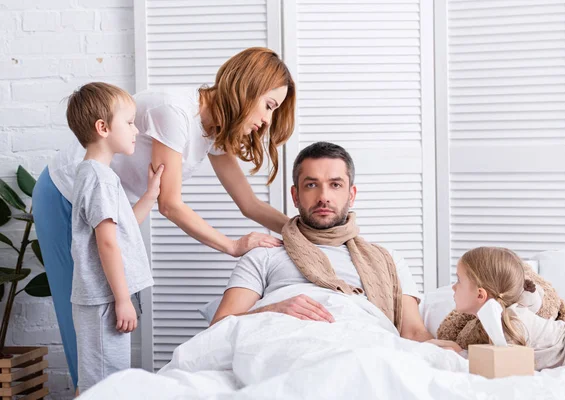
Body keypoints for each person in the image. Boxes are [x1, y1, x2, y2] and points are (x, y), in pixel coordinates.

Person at [32, 47, 296, 389]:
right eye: (269, 106)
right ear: (247, 88)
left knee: (107, 322)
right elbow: (170, 204)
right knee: (86, 321)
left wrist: (303, 231)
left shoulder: (214, 131)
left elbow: (249, 204)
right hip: (65, 195)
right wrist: (232, 246)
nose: (268, 121)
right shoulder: (175, 111)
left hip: (111, 211)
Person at [211, 142, 434, 342]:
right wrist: (272, 311)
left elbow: (413, 333)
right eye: (311, 185)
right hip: (284, 346)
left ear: (351, 195)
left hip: (364, 346)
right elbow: (218, 328)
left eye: (335, 185)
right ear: (295, 195)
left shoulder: (389, 260)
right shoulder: (264, 255)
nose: (323, 197)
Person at [65, 82, 163, 392]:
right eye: (130, 122)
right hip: (104, 300)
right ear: (103, 127)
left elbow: (120, 232)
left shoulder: (95, 174)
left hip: (102, 298)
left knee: (105, 380)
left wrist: (149, 196)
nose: (136, 131)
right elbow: (106, 243)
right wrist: (122, 300)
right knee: (105, 386)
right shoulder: (100, 179)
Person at [450, 246, 565, 370]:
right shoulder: (495, 319)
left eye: (458, 280)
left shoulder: (511, 322)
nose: (453, 287)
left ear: (480, 295)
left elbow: (502, 364)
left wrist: (461, 354)